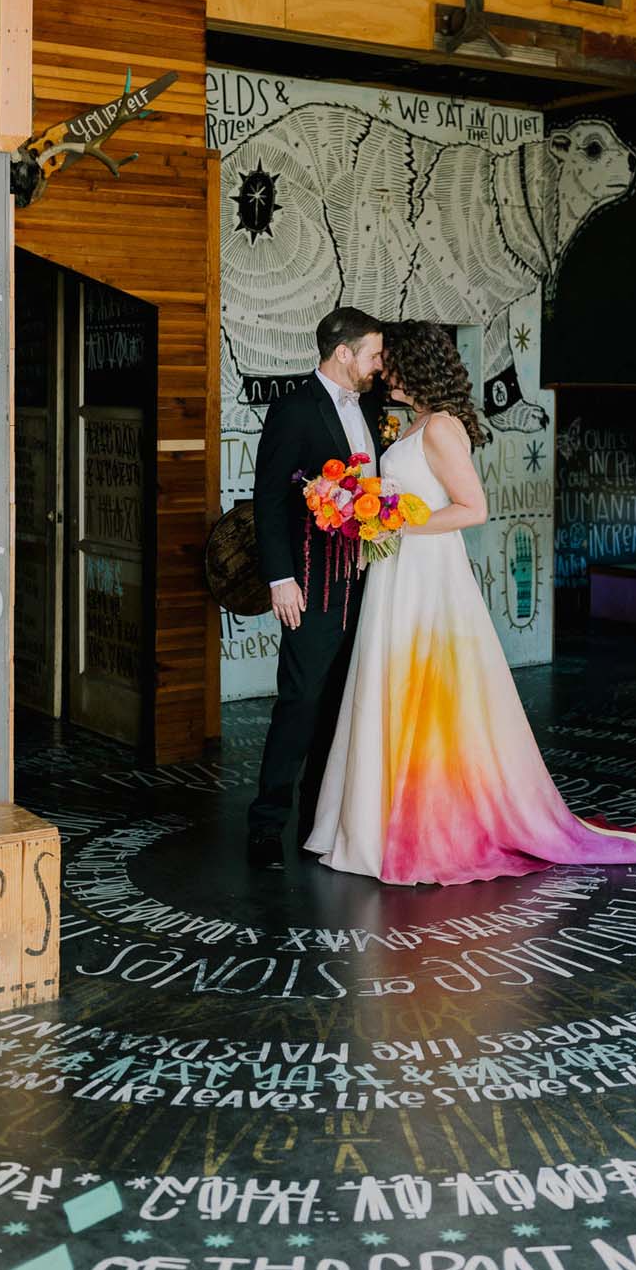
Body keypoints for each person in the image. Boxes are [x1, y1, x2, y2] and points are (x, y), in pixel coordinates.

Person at [306, 321, 636, 885]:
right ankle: (375, 821)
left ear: (413, 366)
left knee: (424, 696)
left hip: (425, 574)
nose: (381, 371)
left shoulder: (441, 428)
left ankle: (417, 824)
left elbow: (473, 508)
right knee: (389, 687)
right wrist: (373, 514)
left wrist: (395, 522)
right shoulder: (417, 423)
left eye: (389, 361)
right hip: (399, 572)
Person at [248, 306, 384, 870]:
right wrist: (281, 579)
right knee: (300, 701)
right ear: (343, 352)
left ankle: (317, 822)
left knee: (338, 702)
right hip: (313, 582)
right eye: (374, 353)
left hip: (365, 580)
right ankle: (266, 824)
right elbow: (269, 502)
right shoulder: (294, 410)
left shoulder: (368, 407)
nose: (380, 364)